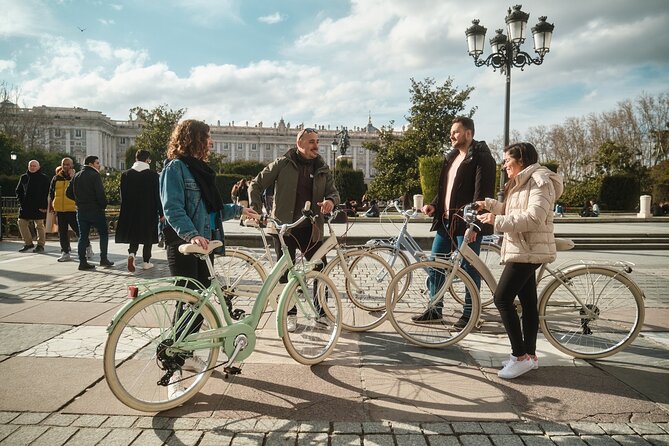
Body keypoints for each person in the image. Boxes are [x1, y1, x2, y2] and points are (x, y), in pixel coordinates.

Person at [475, 142, 563, 379]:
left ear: (521, 160)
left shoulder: (539, 181)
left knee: (502, 298)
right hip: (524, 247)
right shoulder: (523, 181)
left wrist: (496, 220)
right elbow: (515, 210)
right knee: (527, 303)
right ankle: (530, 357)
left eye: (507, 161)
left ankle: (520, 356)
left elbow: (534, 218)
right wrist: (491, 205)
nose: (504, 166)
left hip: (528, 248)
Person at [248, 127, 340, 331]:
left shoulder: (322, 168)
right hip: (284, 228)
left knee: (320, 268)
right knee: (285, 274)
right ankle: (289, 314)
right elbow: (256, 184)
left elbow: (333, 192)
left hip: (310, 227)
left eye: (317, 141)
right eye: (311, 142)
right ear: (299, 143)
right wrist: (256, 210)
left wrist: (330, 202)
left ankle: (321, 312)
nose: (316, 145)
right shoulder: (283, 164)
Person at [413, 116, 496, 328]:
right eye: (451, 132)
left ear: (468, 134)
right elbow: (446, 189)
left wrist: (475, 225)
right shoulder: (451, 157)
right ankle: (435, 310)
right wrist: (433, 204)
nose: (451, 135)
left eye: (456, 132)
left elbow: (483, 195)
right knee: (436, 265)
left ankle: (471, 314)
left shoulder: (481, 157)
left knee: (469, 269)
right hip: (446, 222)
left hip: (466, 223)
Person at [160, 119, 259, 292]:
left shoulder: (200, 169)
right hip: (185, 243)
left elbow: (211, 210)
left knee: (201, 300)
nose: (211, 142)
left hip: (205, 240)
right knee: (188, 301)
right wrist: (192, 235)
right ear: (194, 139)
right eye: (207, 137)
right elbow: (172, 208)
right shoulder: (175, 167)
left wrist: (240, 209)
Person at [115, 149, 164, 272]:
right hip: (148, 210)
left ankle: (132, 254)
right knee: (147, 236)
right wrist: (161, 213)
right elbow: (157, 195)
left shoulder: (126, 174)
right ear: (147, 160)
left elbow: (122, 195)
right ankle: (146, 262)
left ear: (136, 159)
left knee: (134, 235)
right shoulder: (153, 175)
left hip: (130, 210)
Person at [66, 155, 114, 270]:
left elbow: (68, 193)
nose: (99, 165)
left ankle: (82, 262)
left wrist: (78, 201)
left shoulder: (76, 175)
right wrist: (103, 205)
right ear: (91, 164)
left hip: (81, 210)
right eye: (97, 163)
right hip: (95, 209)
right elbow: (100, 193)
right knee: (103, 234)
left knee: (83, 236)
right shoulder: (94, 175)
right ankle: (103, 259)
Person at [48, 157, 92, 262]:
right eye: (64, 164)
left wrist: (73, 178)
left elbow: (81, 190)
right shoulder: (56, 178)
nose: (66, 166)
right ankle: (65, 252)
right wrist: (52, 205)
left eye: (68, 164)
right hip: (60, 209)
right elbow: (51, 192)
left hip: (72, 209)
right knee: (62, 232)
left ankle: (87, 247)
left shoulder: (77, 176)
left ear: (72, 165)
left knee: (78, 230)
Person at [16, 160, 50, 253]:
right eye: (31, 165)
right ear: (28, 166)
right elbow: (18, 191)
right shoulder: (23, 177)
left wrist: (44, 206)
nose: (32, 167)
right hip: (25, 206)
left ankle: (40, 245)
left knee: (39, 225)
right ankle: (28, 243)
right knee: (21, 223)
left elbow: (47, 193)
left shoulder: (44, 178)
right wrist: (21, 202)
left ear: (38, 167)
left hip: (39, 205)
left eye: (34, 166)